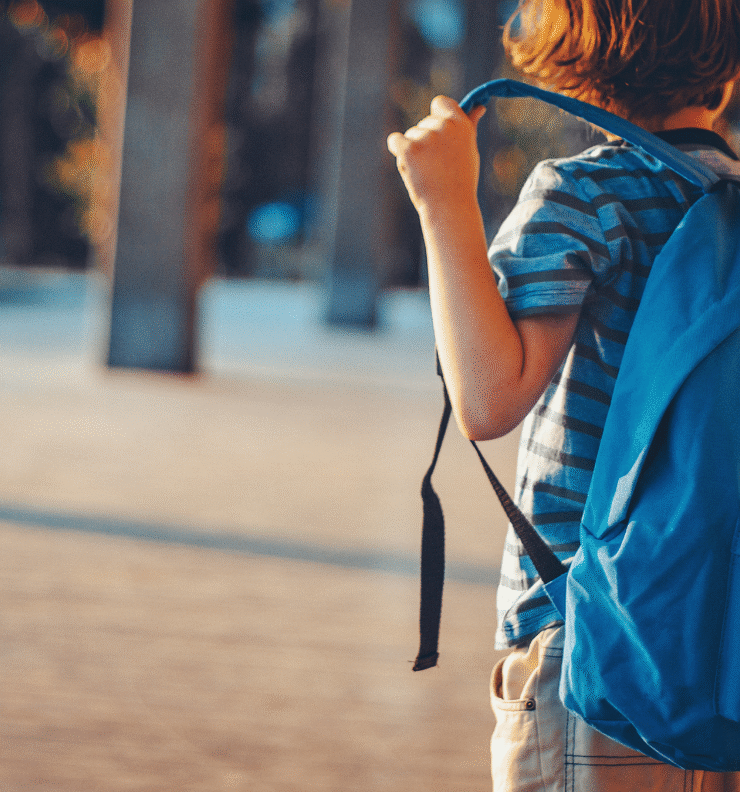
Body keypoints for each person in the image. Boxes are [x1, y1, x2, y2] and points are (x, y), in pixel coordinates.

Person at [387, 0, 740, 790]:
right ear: (728, 74)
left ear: (568, 60)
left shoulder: (584, 195)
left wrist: (443, 204)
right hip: (718, 645)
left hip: (590, 638)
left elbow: (488, 399)